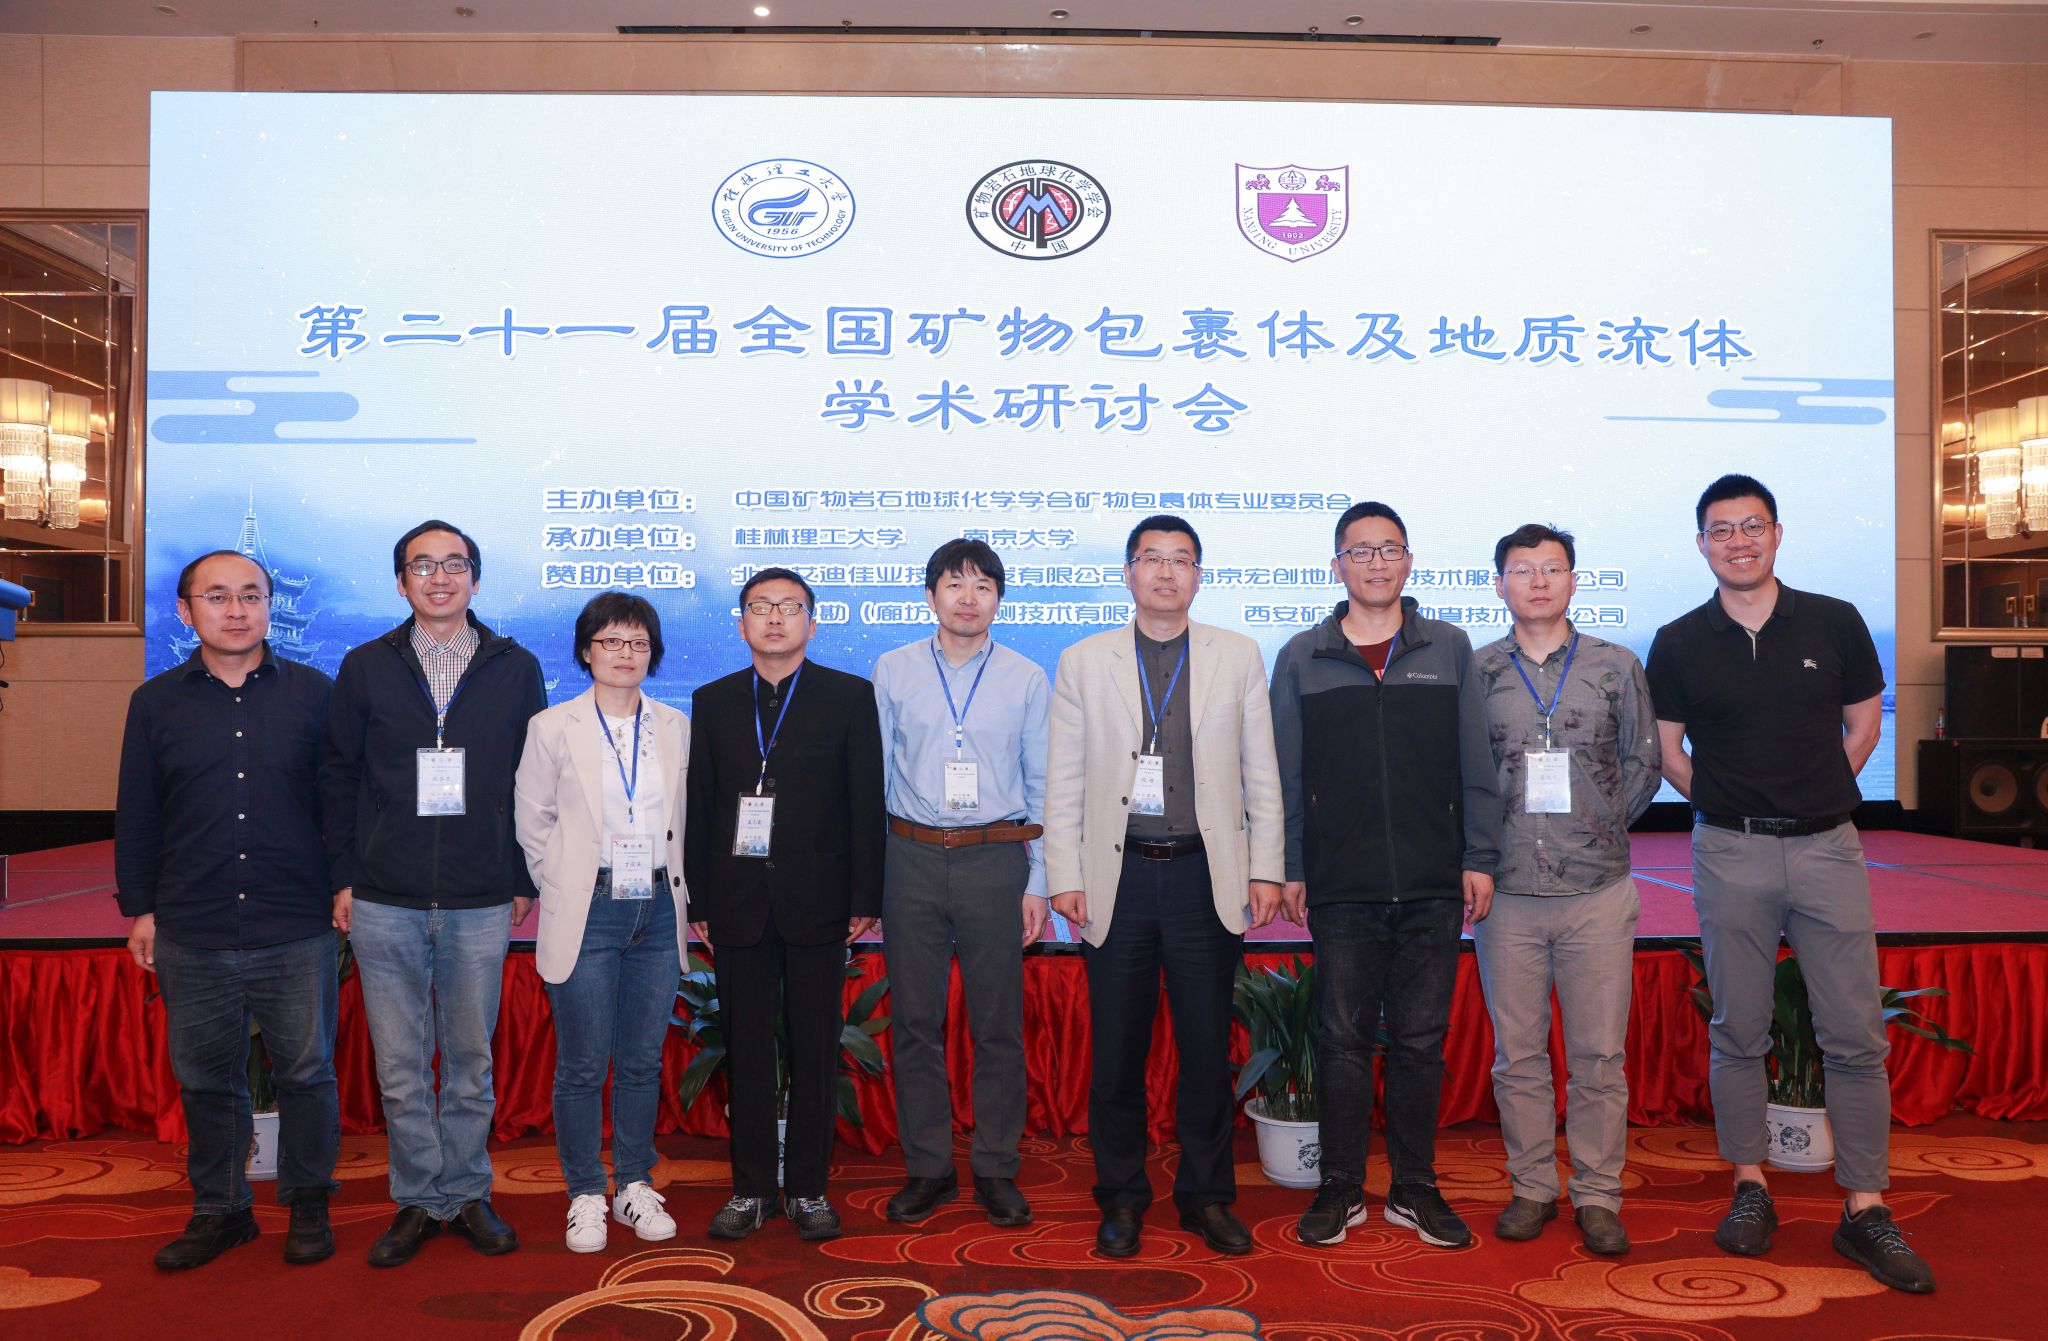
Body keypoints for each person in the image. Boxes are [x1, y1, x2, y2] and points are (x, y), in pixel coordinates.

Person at [1647, 474, 1932, 1293]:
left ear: (1777, 533)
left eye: (1753, 526)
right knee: (1739, 1027)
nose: (1738, 541)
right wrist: (1727, 801)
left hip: (1828, 849)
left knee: (1856, 1033)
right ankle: (1749, 1185)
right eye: (1722, 529)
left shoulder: (1835, 620)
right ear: (1701, 543)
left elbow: (1865, 722)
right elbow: (1667, 750)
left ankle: (1866, 1205)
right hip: (1728, 851)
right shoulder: (1678, 640)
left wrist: (1816, 793)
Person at [1045, 514, 1285, 1260]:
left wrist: (1266, 867)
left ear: (1198, 576)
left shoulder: (1236, 654)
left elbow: (1261, 770)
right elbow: (1064, 779)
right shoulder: (1084, 660)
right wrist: (1064, 875)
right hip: (1115, 880)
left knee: (1206, 1050)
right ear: (1128, 574)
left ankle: (1206, 1197)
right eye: (1151, 558)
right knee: (1117, 1052)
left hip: (1202, 877)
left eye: (1181, 559)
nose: (1166, 572)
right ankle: (1121, 1197)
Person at [1268, 500, 1500, 1250]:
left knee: (1420, 1041)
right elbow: (1284, 773)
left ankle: (1413, 1185)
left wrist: (1478, 856)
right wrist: (1290, 865)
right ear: (1337, 565)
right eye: (1360, 551)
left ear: (1408, 561)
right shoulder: (1303, 655)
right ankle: (1340, 1186)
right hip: (1341, 883)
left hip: (1433, 880)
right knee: (1340, 1039)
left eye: (1389, 549)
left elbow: (1476, 764)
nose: (1375, 562)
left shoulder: (1449, 647)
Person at [322, 519, 547, 1267]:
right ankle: (419, 1197)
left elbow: (531, 782)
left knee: (470, 1058)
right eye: (423, 565)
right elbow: (339, 776)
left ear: (475, 579)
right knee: (400, 1063)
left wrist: (520, 876)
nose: (439, 577)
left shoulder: (515, 667)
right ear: (401, 582)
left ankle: (469, 1191)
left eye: (454, 564)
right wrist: (345, 876)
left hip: (482, 895)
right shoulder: (365, 665)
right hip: (384, 895)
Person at [116, 549, 340, 1270]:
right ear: (187, 611)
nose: (236, 610)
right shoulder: (155, 703)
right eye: (217, 596)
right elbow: (139, 813)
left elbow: (340, 805)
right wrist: (141, 908)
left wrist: (345, 885)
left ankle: (308, 1202)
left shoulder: (316, 694)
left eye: (251, 595)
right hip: (194, 923)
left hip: (295, 920)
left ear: (270, 606)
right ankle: (220, 1210)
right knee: (208, 1079)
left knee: (307, 1074)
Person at [1474, 523, 1660, 1256]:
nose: (1539, 581)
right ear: (1500, 584)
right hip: (1507, 894)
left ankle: (1598, 1193)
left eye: (1552, 568)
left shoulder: (1617, 665)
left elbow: (1643, 763)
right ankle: (1531, 1186)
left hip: (1598, 891)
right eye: (1523, 569)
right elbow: (1462, 776)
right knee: (1517, 1055)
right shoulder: (1477, 671)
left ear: (1574, 581)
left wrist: (1597, 826)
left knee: (1598, 1057)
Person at [684, 567, 885, 1243]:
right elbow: (702, 804)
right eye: (760, 606)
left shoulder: (848, 696)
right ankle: (750, 1189)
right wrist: (700, 895)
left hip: (819, 899)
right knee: (744, 1046)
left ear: (812, 622)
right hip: (737, 900)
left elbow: (865, 799)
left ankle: (806, 1188)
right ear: (741, 623)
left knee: (815, 1046)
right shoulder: (713, 700)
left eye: (790, 606)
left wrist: (864, 894)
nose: (774, 618)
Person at [872, 539, 1048, 1228]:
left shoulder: (1027, 677)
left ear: (999, 599)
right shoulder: (893, 668)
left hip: (995, 858)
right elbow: (875, 775)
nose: (968, 597)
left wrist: (1039, 881)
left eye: (982, 585)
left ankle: (997, 1167)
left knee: (997, 1024)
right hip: (909, 855)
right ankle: (929, 1168)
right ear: (930, 596)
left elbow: (1041, 782)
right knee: (915, 1021)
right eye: (954, 583)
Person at [514, 592, 690, 1253]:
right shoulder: (551, 726)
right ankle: (586, 1191)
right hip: (588, 907)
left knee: (642, 1060)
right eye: (612, 641)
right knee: (584, 1063)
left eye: (638, 643)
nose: (625, 653)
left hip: (657, 906)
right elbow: (532, 820)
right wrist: (564, 883)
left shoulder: (675, 725)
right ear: (587, 651)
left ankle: (634, 1183)